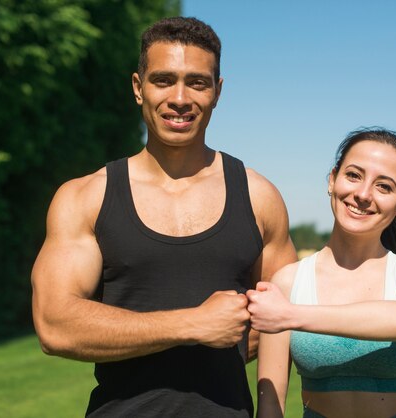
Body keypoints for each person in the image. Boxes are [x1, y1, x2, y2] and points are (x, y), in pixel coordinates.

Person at [31, 16, 296, 418]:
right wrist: (191, 325)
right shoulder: (86, 196)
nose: (180, 98)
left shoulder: (259, 196)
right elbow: (54, 325)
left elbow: (280, 322)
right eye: (163, 80)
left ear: (217, 92)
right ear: (139, 88)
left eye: (197, 82)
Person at [246, 128, 396, 418]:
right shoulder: (288, 282)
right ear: (332, 179)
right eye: (353, 175)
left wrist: (289, 315)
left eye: (384, 186)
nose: (363, 194)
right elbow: (269, 405)